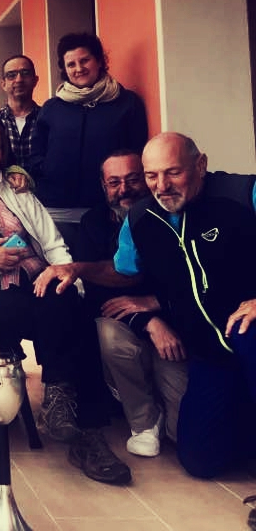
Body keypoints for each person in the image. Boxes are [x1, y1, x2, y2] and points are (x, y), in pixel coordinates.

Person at [0, 117, 131, 485]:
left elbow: (52, 243)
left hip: (35, 286)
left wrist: (67, 275)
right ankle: (77, 418)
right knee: (61, 315)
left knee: (69, 301)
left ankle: (71, 413)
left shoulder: (19, 192)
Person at [36, 132, 256, 479]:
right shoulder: (139, 217)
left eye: (173, 173)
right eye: (152, 176)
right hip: (211, 353)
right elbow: (124, 272)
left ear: (200, 165)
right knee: (200, 458)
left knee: (249, 333)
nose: (161, 186)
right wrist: (77, 268)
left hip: (248, 330)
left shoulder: (243, 193)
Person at [75, 150, 187, 458]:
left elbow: (188, 283)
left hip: (175, 325)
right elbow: (98, 294)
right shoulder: (92, 222)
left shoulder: (171, 215)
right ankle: (144, 422)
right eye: (114, 182)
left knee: (183, 435)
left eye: (133, 179)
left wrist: (158, 309)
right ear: (103, 186)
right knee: (109, 334)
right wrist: (149, 321)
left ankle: (165, 410)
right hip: (131, 324)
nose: (124, 189)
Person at [30, 32, 148, 212]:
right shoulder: (51, 107)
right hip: (55, 206)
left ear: (99, 61)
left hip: (108, 208)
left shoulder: (127, 103)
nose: (79, 69)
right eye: (71, 64)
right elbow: (36, 152)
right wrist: (47, 170)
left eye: (85, 60)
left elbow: (138, 151)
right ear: (64, 69)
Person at [0, 55, 40, 171]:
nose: (19, 79)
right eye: (11, 75)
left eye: (25, 73)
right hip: (5, 182)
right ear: (3, 84)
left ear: (35, 80)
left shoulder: (48, 119)